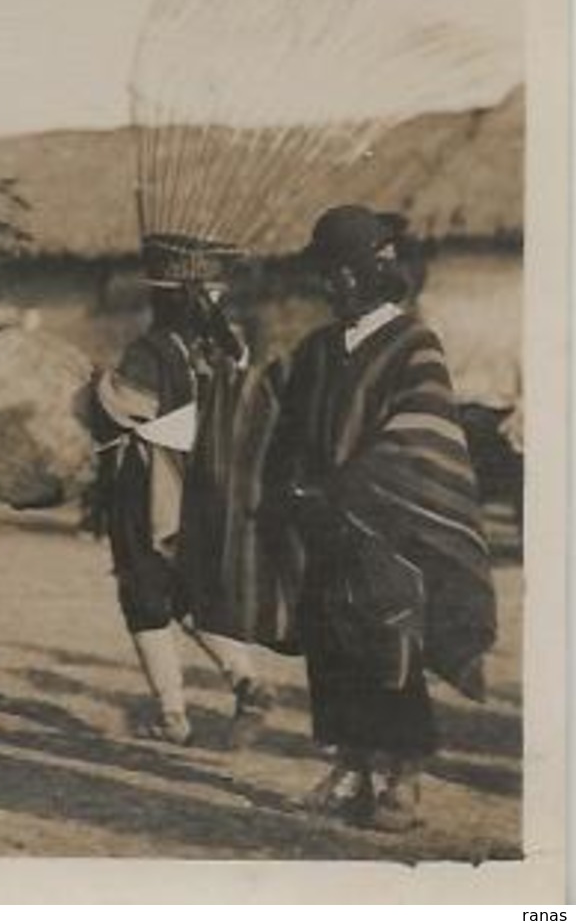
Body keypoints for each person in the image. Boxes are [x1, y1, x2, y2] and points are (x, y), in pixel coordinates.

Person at [262, 205, 496, 831]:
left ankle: (403, 778)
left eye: (340, 271)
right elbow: (279, 423)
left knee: (388, 647)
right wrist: (289, 489)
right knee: (330, 646)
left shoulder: (414, 345)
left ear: (372, 271)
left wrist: (348, 488)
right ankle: (352, 768)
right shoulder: (315, 349)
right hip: (322, 526)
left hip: (385, 531)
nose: (328, 285)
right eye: (324, 273)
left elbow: (419, 436)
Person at [90, 233, 275, 748]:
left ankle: (172, 714)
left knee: (145, 598)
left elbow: (120, 408)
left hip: (152, 491)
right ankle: (246, 681)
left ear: (162, 296)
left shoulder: (151, 352)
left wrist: (93, 387)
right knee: (193, 596)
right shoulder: (224, 348)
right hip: (207, 488)